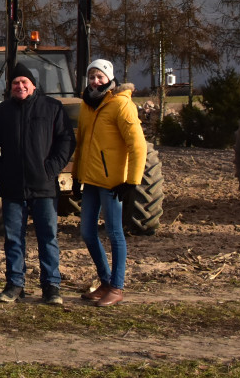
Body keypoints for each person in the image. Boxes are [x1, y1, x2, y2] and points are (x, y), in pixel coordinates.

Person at [0, 62, 74, 305]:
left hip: (44, 187)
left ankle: (51, 286)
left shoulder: (52, 108)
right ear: (10, 87)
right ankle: (15, 284)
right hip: (13, 187)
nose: (20, 86)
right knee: (14, 238)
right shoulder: (1, 112)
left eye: (24, 82)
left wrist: (51, 169)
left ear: (33, 85)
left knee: (48, 237)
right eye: (15, 83)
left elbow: (66, 140)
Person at [73, 59, 146, 307]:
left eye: (100, 77)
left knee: (115, 234)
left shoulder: (121, 105)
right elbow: (81, 143)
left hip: (113, 183)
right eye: (91, 76)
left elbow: (137, 145)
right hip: (91, 181)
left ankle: (117, 287)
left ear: (109, 79)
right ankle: (105, 281)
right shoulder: (86, 105)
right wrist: (76, 177)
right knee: (87, 232)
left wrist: (131, 181)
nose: (95, 81)